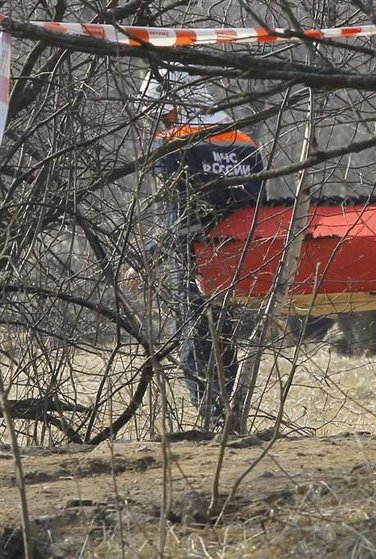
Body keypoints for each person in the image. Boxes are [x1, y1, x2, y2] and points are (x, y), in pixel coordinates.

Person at [126, 68, 265, 428]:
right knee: (224, 337)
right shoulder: (245, 143)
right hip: (239, 252)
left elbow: (182, 218)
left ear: (171, 106)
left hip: (191, 255)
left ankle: (212, 420)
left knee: (193, 339)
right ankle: (227, 417)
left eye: (158, 113)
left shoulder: (174, 145)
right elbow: (254, 205)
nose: (156, 122)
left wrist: (145, 258)